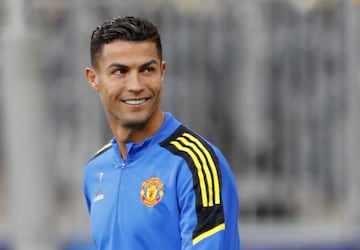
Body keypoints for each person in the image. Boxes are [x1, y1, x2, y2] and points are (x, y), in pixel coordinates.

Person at [83, 16, 241, 250]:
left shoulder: (196, 165)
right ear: (93, 79)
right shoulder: (96, 169)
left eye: (147, 69)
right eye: (120, 72)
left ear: (162, 72)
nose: (135, 85)